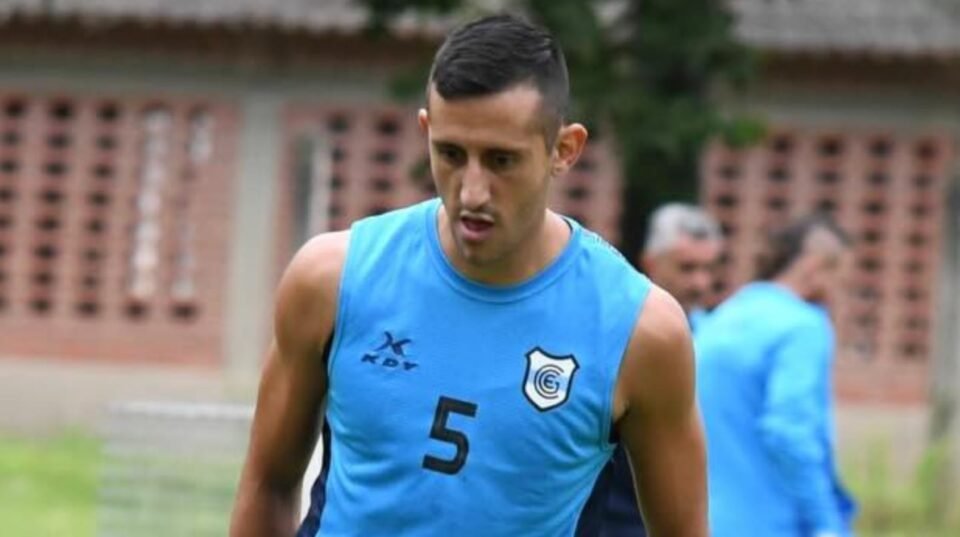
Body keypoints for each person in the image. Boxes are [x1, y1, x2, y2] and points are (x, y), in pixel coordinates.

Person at [230, 14, 706, 537]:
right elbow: (267, 485)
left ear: (564, 150)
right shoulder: (331, 279)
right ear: (425, 132)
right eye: (451, 154)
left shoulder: (640, 331)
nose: (473, 191)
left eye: (501, 160)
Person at [694, 214, 858, 537]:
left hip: (705, 520)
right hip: (770, 522)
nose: (841, 294)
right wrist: (826, 523)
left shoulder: (723, 317)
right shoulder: (803, 327)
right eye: (841, 280)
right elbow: (789, 431)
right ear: (815, 267)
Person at [602, 204, 723, 536]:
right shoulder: (615, 335)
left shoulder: (714, 337)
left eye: (709, 268)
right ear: (651, 262)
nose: (700, 283)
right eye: (687, 268)